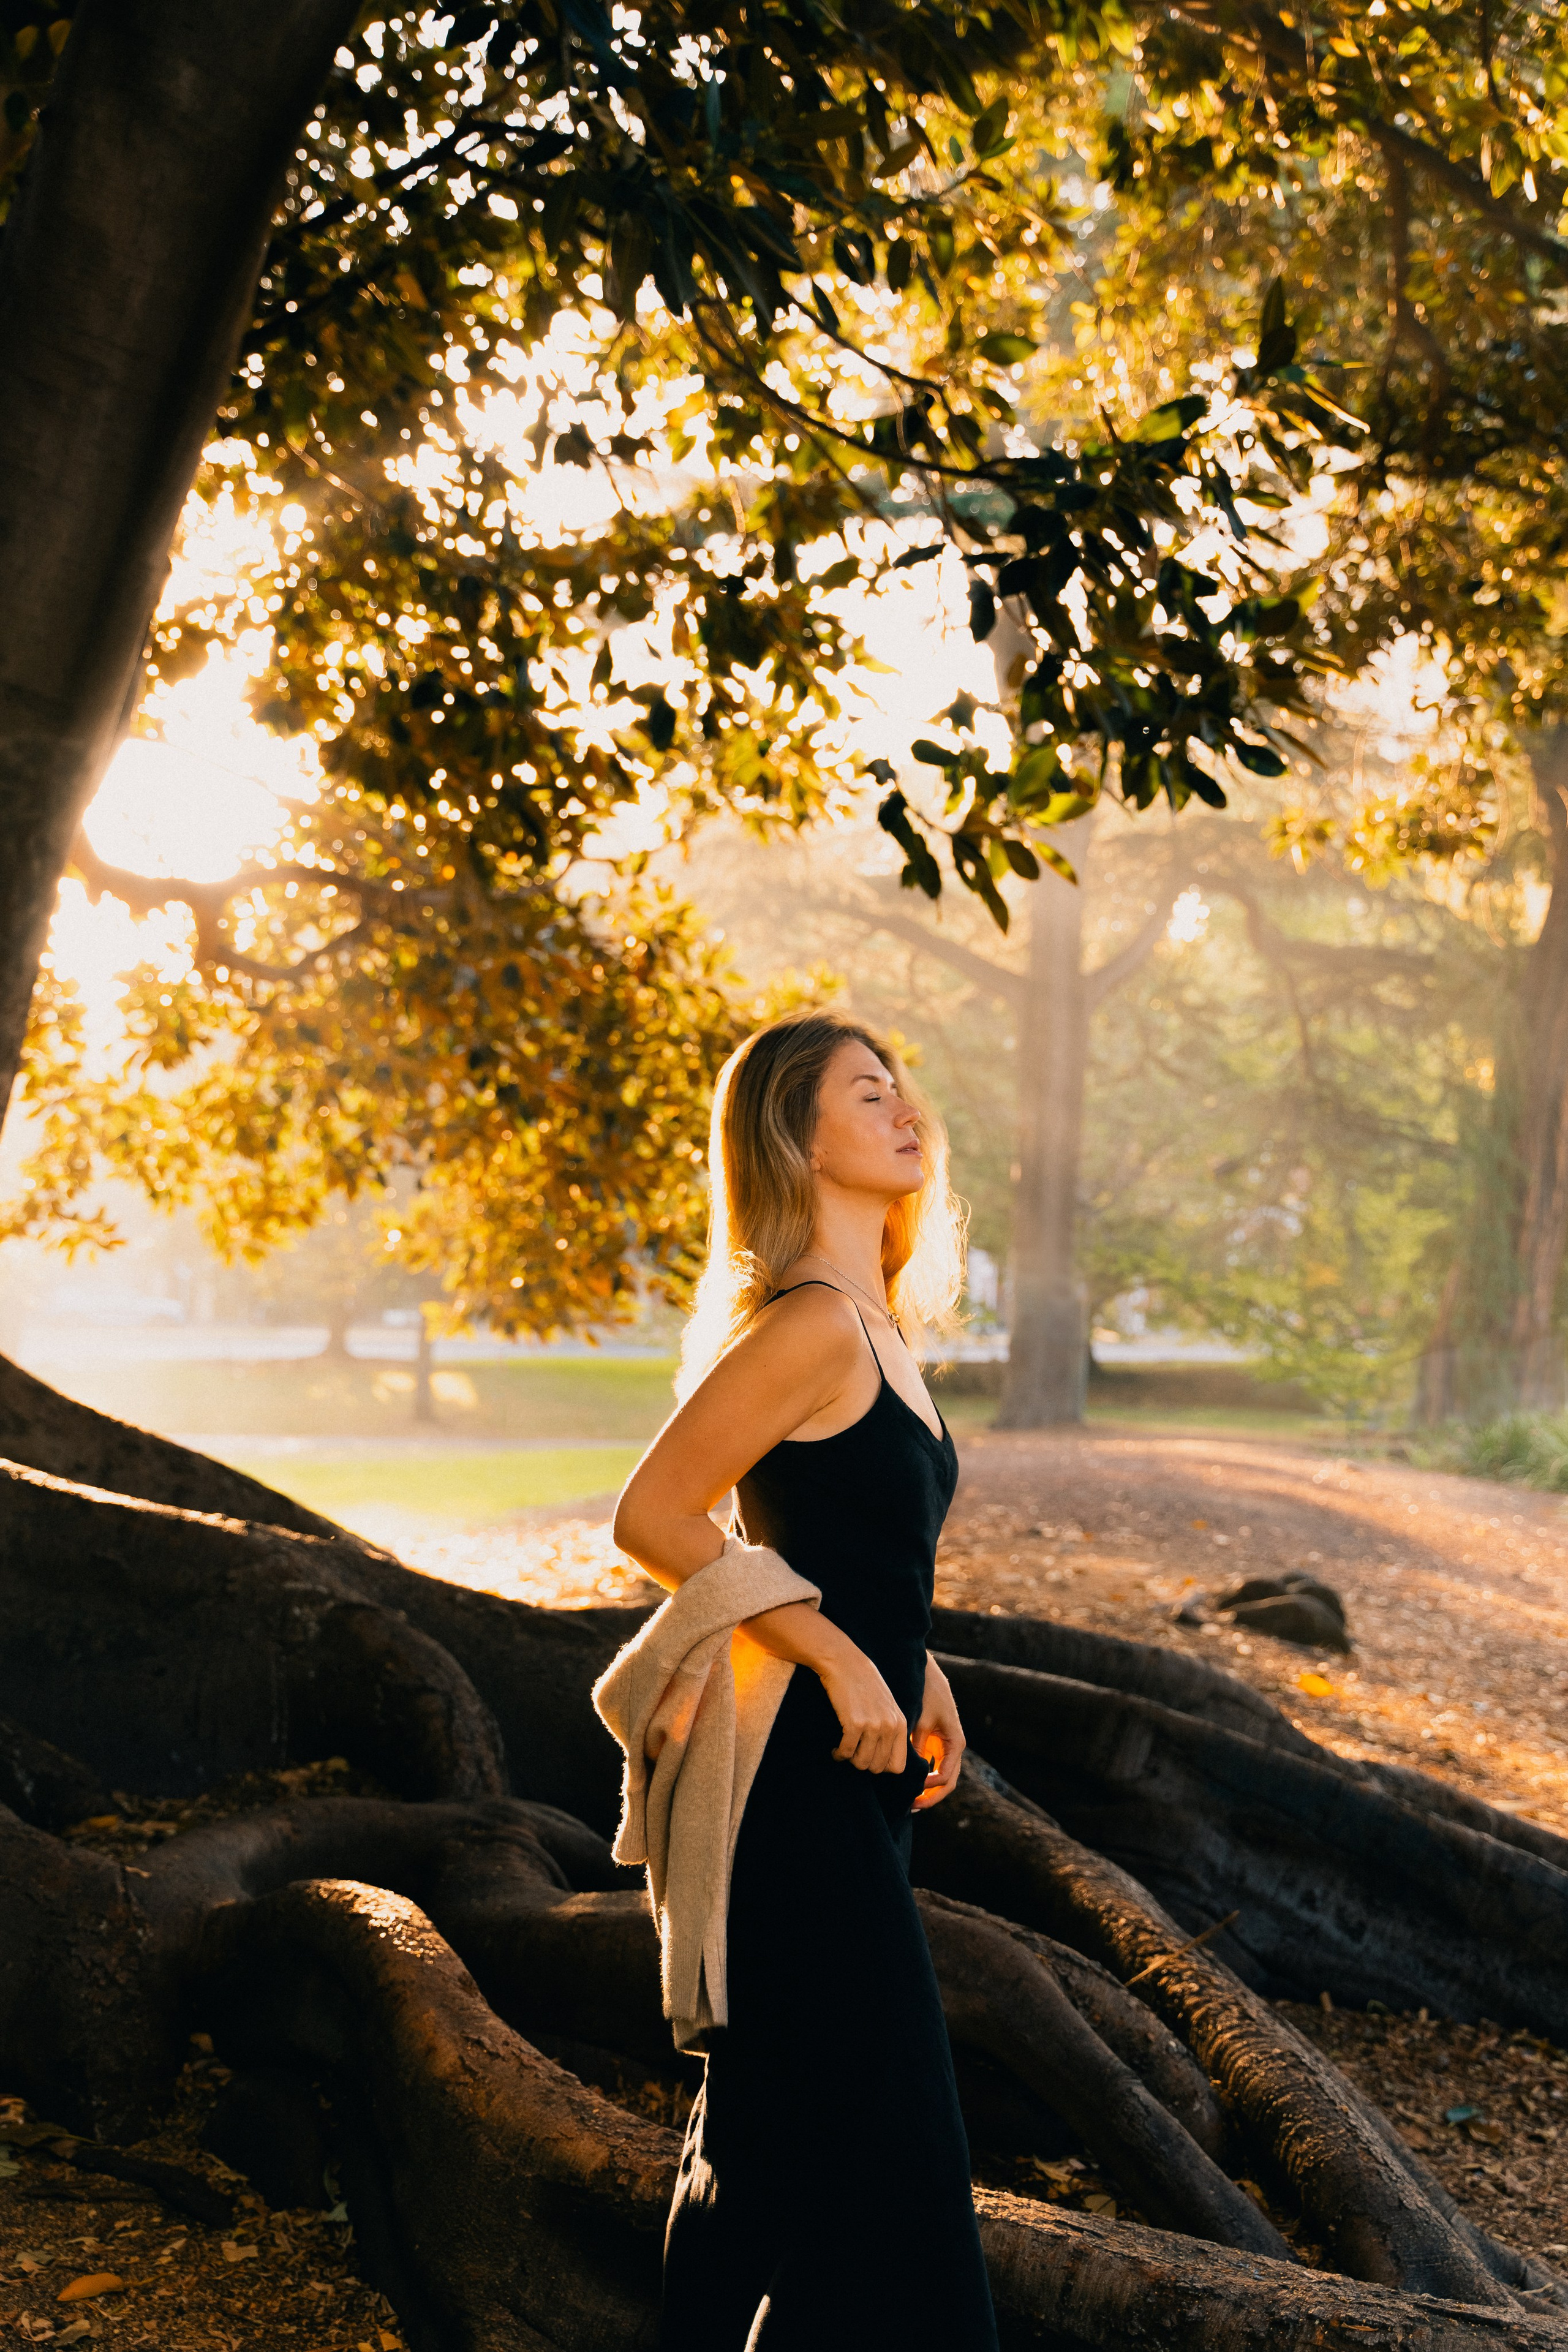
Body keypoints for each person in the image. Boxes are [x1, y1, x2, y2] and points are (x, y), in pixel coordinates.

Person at [612, 1008, 1000, 2351]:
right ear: (795, 1136)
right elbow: (655, 1513)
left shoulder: (879, 1330)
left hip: (862, 1782)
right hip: (792, 1794)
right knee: (891, 2159)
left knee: (768, 2149)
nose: (908, 1115)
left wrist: (918, 1663)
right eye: (867, 1093)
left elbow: (840, 1543)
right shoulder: (812, 1327)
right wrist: (838, 1655)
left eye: (906, 1092)